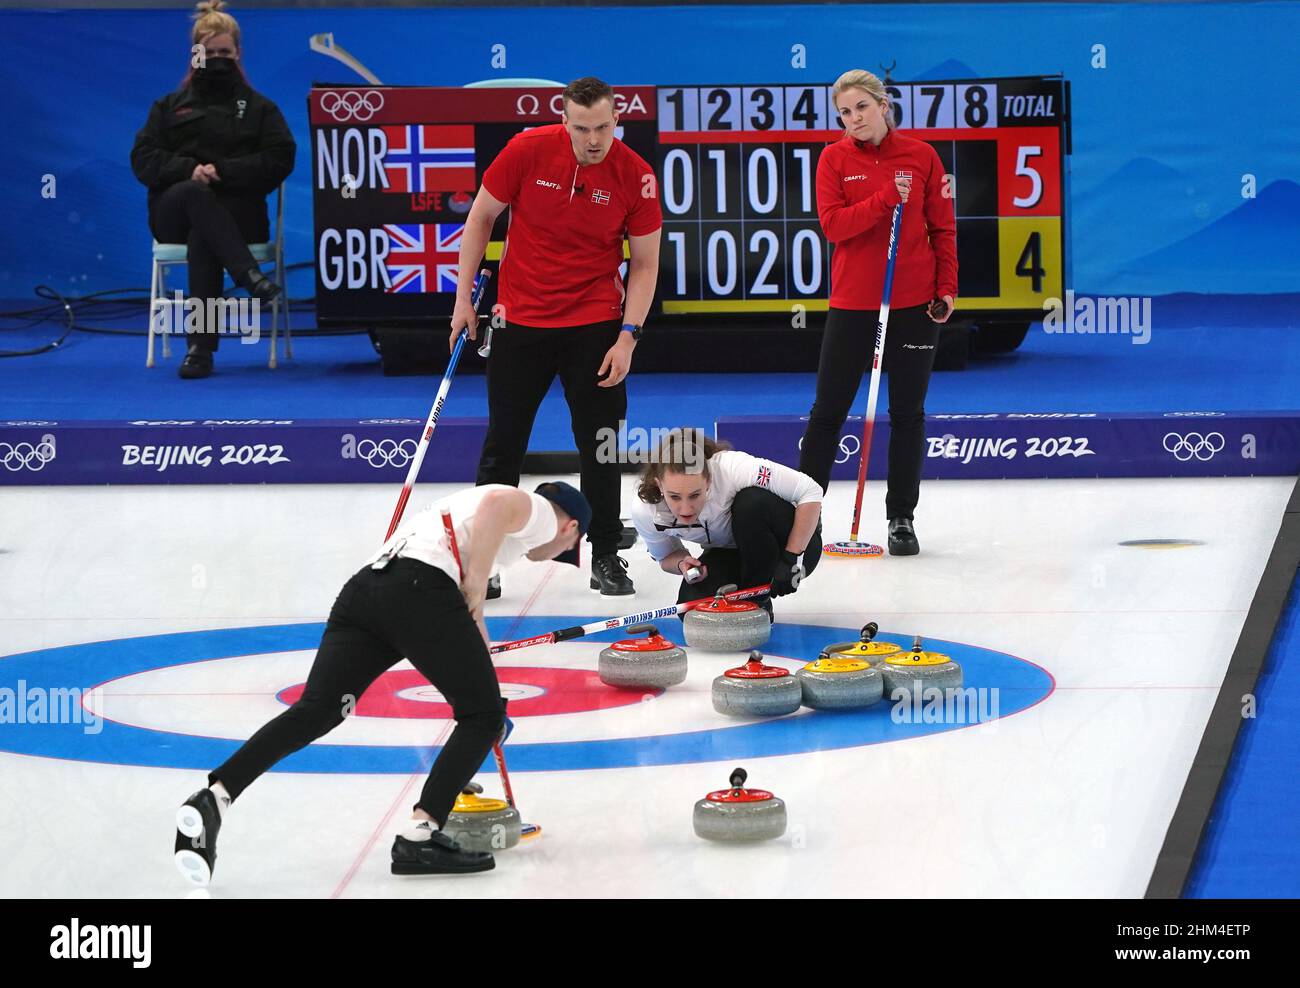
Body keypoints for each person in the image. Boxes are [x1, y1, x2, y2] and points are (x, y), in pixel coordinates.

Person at [172, 481, 591, 884]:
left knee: (317, 710)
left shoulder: (473, 526)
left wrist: (480, 664)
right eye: (567, 550)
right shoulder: (542, 514)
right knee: (482, 717)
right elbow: (499, 505)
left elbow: (466, 618)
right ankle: (419, 839)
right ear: (571, 528)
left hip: (369, 590)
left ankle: (217, 795)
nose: (554, 552)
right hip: (419, 589)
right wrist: (477, 587)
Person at [450, 76, 662, 597]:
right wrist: (461, 299)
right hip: (519, 320)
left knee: (601, 446)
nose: (593, 139)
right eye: (582, 128)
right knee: (503, 444)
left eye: (604, 127)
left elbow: (646, 263)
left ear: (619, 121)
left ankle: (606, 554)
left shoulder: (635, 176)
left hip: (594, 324)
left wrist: (628, 336)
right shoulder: (526, 150)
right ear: (563, 121)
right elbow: (480, 219)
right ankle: (486, 560)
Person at [798, 69, 957, 555]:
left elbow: (943, 228)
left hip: (912, 301)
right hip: (853, 303)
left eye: (861, 108)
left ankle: (901, 519)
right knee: (828, 413)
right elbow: (834, 226)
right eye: (844, 112)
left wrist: (947, 288)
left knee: (908, 413)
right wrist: (885, 198)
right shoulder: (833, 158)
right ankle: (805, 518)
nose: (853, 119)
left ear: (883, 105)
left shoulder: (922, 155)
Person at [130, 1, 295, 379]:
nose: (218, 59)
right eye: (210, 52)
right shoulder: (168, 107)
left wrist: (223, 171)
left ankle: (200, 350)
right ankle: (248, 276)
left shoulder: (259, 109)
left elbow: (279, 159)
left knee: (204, 235)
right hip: (173, 211)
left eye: (225, 52)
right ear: (195, 54)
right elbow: (143, 159)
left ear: (238, 53)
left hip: (239, 217)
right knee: (192, 194)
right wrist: (190, 169)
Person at [629, 429, 823, 618]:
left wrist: (791, 558)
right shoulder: (646, 509)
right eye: (675, 497)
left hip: (793, 548)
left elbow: (810, 491)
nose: (686, 509)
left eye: (695, 495)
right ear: (659, 485)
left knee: (751, 502)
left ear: (709, 480)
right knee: (693, 611)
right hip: (733, 553)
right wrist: (682, 564)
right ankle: (751, 592)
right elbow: (667, 556)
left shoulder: (733, 468)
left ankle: (758, 601)